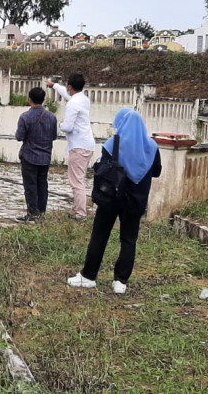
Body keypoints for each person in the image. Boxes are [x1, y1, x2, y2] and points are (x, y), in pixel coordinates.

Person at [67, 108, 161, 294]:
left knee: (100, 235)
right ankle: (121, 282)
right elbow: (157, 172)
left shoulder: (112, 144)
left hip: (112, 198)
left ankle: (88, 276)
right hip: (136, 200)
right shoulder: (152, 146)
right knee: (128, 240)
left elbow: (104, 170)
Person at [46, 74, 95, 221]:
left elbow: (67, 127)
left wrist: (58, 125)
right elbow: (67, 95)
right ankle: (77, 209)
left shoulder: (73, 104)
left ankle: (80, 214)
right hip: (87, 144)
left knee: (77, 182)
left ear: (70, 86)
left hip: (78, 146)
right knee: (79, 179)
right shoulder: (83, 99)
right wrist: (54, 86)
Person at [14, 87, 58, 223]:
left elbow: (19, 137)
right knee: (42, 185)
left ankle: (32, 213)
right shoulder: (52, 117)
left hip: (29, 157)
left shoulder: (25, 117)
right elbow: (54, 136)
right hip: (45, 157)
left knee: (30, 186)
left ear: (30, 100)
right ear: (43, 99)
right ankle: (41, 212)